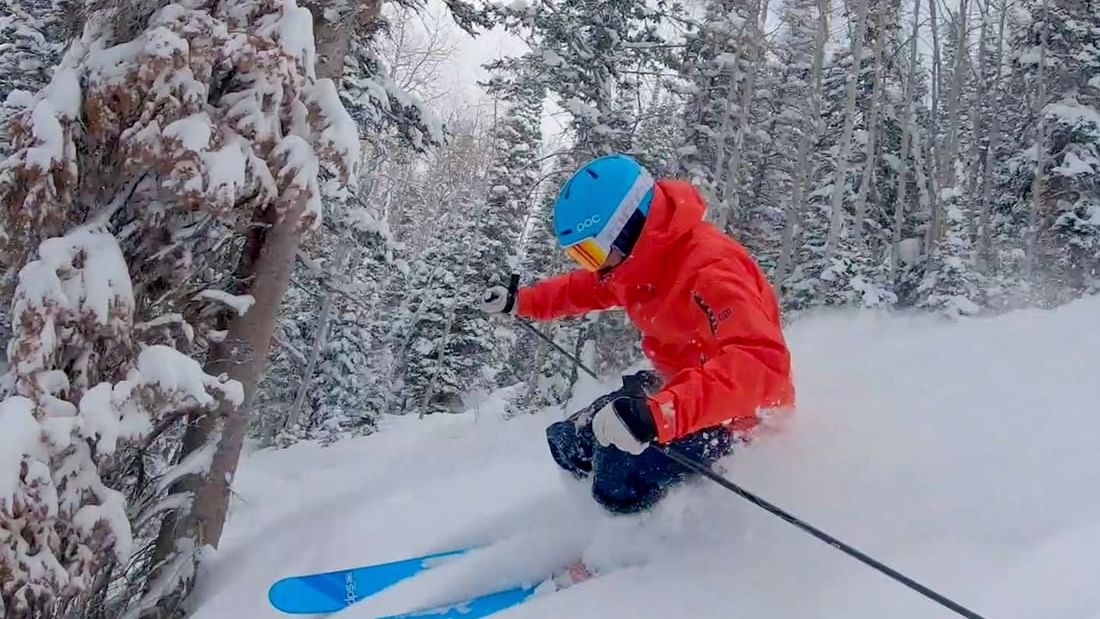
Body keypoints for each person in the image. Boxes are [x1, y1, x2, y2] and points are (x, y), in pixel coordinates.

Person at [480, 154, 794, 514]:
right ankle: (592, 518)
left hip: (738, 419)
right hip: (676, 394)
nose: (595, 267)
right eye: (582, 256)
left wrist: (659, 415)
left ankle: (635, 545)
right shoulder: (635, 266)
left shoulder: (712, 269)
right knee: (572, 443)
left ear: (630, 226)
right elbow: (580, 290)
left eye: (593, 251)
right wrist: (520, 301)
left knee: (618, 470)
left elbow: (762, 367)